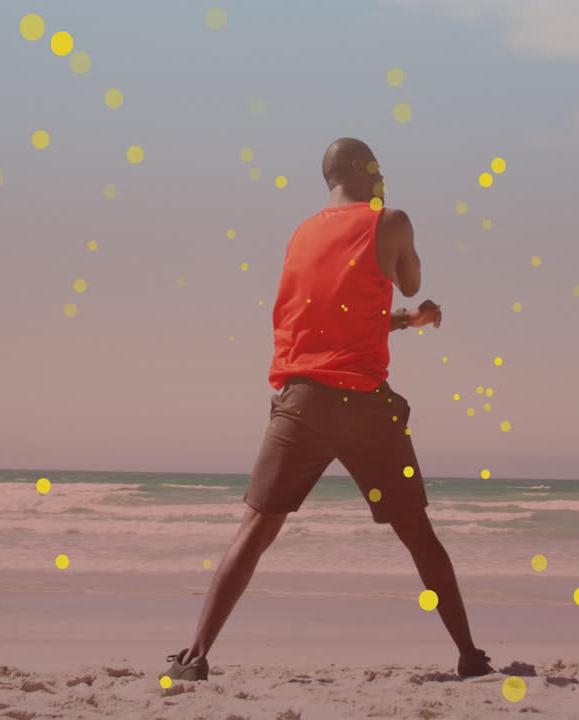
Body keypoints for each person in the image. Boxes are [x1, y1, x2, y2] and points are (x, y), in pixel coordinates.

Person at [160, 138, 493, 683]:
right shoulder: (392, 220)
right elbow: (409, 281)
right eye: (379, 170)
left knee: (255, 528)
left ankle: (195, 655)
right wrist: (412, 296)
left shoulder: (301, 234)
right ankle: (470, 656)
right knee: (417, 533)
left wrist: (407, 322)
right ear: (369, 172)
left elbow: (339, 321)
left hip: (303, 404)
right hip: (364, 406)